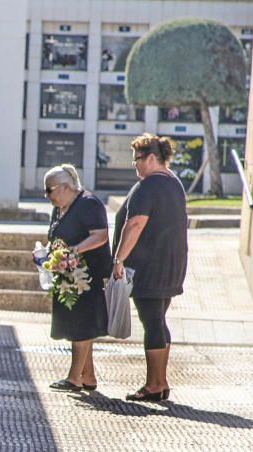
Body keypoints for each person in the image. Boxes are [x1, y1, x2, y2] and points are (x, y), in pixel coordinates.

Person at [112, 134, 188, 402]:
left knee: (152, 321)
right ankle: (160, 381)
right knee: (158, 319)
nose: (135, 165)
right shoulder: (174, 183)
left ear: (152, 158)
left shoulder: (150, 185)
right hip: (170, 264)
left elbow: (135, 224)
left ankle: (155, 384)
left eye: (138, 159)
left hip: (149, 266)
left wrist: (119, 259)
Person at [43, 164, 113, 391]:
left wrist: (73, 251)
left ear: (65, 187)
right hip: (67, 274)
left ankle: (74, 377)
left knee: (82, 325)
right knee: (79, 325)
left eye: (49, 190)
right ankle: (88, 375)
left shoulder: (88, 204)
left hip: (87, 274)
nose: (47, 195)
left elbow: (100, 236)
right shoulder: (61, 207)